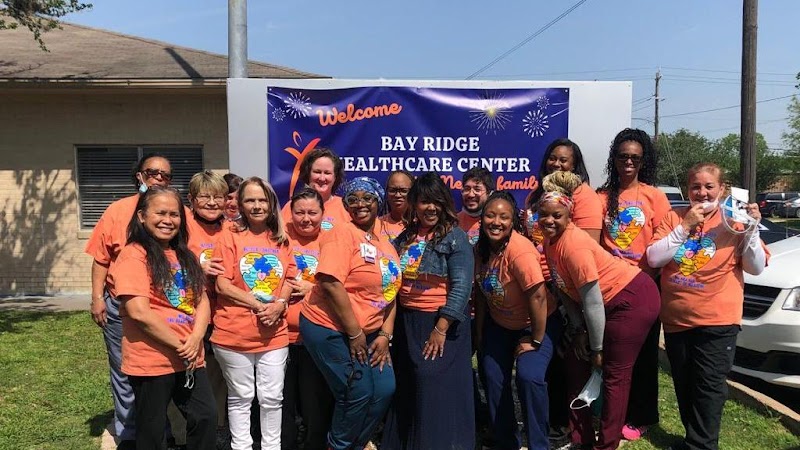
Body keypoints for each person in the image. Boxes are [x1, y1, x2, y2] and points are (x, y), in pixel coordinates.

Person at [646, 163, 767, 450]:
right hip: (677, 319)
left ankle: (701, 445)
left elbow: (756, 267)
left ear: (722, 189)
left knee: (709, 388)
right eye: (696, 187)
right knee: (685, 384)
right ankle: (694, 438)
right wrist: (685, 226)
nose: (702, 192)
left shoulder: (734, 219)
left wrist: (750, 231)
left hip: (718, 320)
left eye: (709, 186)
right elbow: (654, 258)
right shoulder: (674, 217)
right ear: (688, 190)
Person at [539, 171, 660, 450]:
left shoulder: (574, 245)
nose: (549, 220)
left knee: (614, 374)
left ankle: (606, 444)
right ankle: (580, 440)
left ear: (569, 216)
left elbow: (592, 300)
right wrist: (578, 331)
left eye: (556, 215)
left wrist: (597, 348)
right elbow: (564, 290)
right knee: (574, 363)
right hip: (600, 307)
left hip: (632, 298)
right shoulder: (549, 243)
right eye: (544, 214)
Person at [109, 186, 217, 450]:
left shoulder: (185, 255)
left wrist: (196, 339)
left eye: (174, 214)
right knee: (152, 431)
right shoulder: (133, 255)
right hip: (152, 360)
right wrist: (183, 345)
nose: (168, 220)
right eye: (160, 213)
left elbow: (202, 300)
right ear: (142, 217)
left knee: (206, 417)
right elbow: (138, 312)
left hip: (190, 359)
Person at [299, 177, 400, 450]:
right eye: (353, 199)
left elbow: (391, 293)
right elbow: (331, 283)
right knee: (356, 390)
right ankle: (338, 445)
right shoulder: (341, 234)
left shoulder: (386, 246)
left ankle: (355, 443)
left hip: (366, 333)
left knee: (383, 388)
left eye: (367, 198)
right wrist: (355, 332)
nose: (360, 204)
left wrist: (385, 334)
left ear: (378, 202)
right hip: (328, 326)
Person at [85, 152, 174, 449]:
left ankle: (163, 430)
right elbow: (101, 259)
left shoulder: (176, 211)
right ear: (140, 176)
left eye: (165, 175)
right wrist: (97, 298)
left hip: (163, 308)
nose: (159, 178)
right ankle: (129, 434)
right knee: (124, 371)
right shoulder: (117, 210)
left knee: (162, 373)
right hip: (120, 306)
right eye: (153, 172)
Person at [382, 172, 475, 450]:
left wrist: (440, 328)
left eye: (436, 201)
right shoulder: (405, 237)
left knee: (433, 385)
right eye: (423, 202)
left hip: (440, 324)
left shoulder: (455, 237)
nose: (430, 208)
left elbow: (461, 288)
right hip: (407, 322)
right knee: (409, 385)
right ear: (414, 204)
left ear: (444, 203)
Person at [521, 138, 603, 445]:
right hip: (539, 285)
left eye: (564, 160)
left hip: (568, 288)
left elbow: (587, 251)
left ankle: (566, 424)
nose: (557, 164)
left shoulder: (585, 198)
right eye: (552, 158)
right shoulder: (535, 195)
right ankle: (550, 421)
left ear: (575, 166)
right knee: (549, 359)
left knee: (565, 361)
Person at [597, 128, 671, 441]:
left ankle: (640, 416)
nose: (628, 162)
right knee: (608, 354)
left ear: (643, 162)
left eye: (635, 158)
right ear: (613, 159)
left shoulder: (655, 196)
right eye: (623, 156)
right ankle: (607, 410)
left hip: (643, 287)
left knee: (642, 357)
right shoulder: (600, 197)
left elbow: (664, 239)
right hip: (608, 288)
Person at [212, 177, 294, 450]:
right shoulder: (229, 235)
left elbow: (290, 280)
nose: (257, 206)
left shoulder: (282, 240)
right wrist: (259, 306)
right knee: (241, 397)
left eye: (262, 200)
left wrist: (280, 304)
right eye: (250, 200)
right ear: (240, 204)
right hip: (233, 334)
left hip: (274, 335)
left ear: (271, 203)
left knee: (272, 398)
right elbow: (222, 284)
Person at [473, 191, 561, 450]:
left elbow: (539, 298)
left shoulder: (520, 250)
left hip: (536, 323)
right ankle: (505, 441)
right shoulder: (481, 249)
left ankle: (538, 444)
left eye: (504, 217)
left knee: (529, 376)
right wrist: (479, 335)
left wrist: (535, 339)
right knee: (491, 374)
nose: (496, 222)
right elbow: (479, 294)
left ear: (513, 222)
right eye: (490, 215)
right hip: (500, 325)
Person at [281, 188, 335, 450]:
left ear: (322, 214)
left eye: (312, 213)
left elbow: (346, 285)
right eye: (299, 213)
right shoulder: (280, 239)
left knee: (315, 404)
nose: (306, 219)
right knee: (283, 403)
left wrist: (310, 289)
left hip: (317, 337)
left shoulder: (332, 242)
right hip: (280, 337)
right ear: (290, 215)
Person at [186, 171, 230, 434]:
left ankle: (218, 430)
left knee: (217, 376)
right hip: (188, 313)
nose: (212, 202)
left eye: (218, 197)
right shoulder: (182, 227)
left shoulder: (232, 227)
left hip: (222, 314)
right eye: (205, 197)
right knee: (188, 373)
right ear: (192, 200)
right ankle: (182, 435)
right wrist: (198, 265)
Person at [282, 148, 350, 231]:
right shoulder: (291, 206)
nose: (322, 178)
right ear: (308, 174)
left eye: (327, 173)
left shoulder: (345, 207)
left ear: (335, 177)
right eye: (317, 172)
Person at [458, 167, 495, 245]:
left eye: (477, 189)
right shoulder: (453, 223)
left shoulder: (496, 223)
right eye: (467, 189)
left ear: (489, 193)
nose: (471, 195)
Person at [378, 170, 415, 242]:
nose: (398, 195)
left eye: (403, 191)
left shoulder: (421, 225)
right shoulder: (376, 224)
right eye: (393, 190)